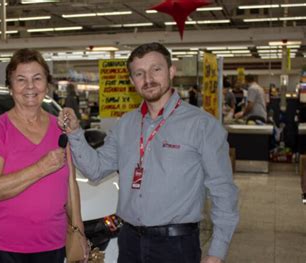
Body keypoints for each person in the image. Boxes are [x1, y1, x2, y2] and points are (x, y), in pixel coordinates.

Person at [58, 42, 239, 263]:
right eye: (139, 73)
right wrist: (76, 133)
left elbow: (223, 192)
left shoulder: (201, 126)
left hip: (176, 246)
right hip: (129, 242)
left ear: (171, 71)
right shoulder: (125, 125)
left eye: (156, 69)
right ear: (132, 81)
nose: (148, 78)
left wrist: (216, 253)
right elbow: (95, 170)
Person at [0, 48, 88, 263]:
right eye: (21, 79)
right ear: (10, 88)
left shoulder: (60, 128)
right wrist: (41, 167)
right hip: (4, 246)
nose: (30, 86)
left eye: (37, 79)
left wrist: (79, 231)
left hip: (53, 243)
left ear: (47, 85)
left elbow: (70, 187)